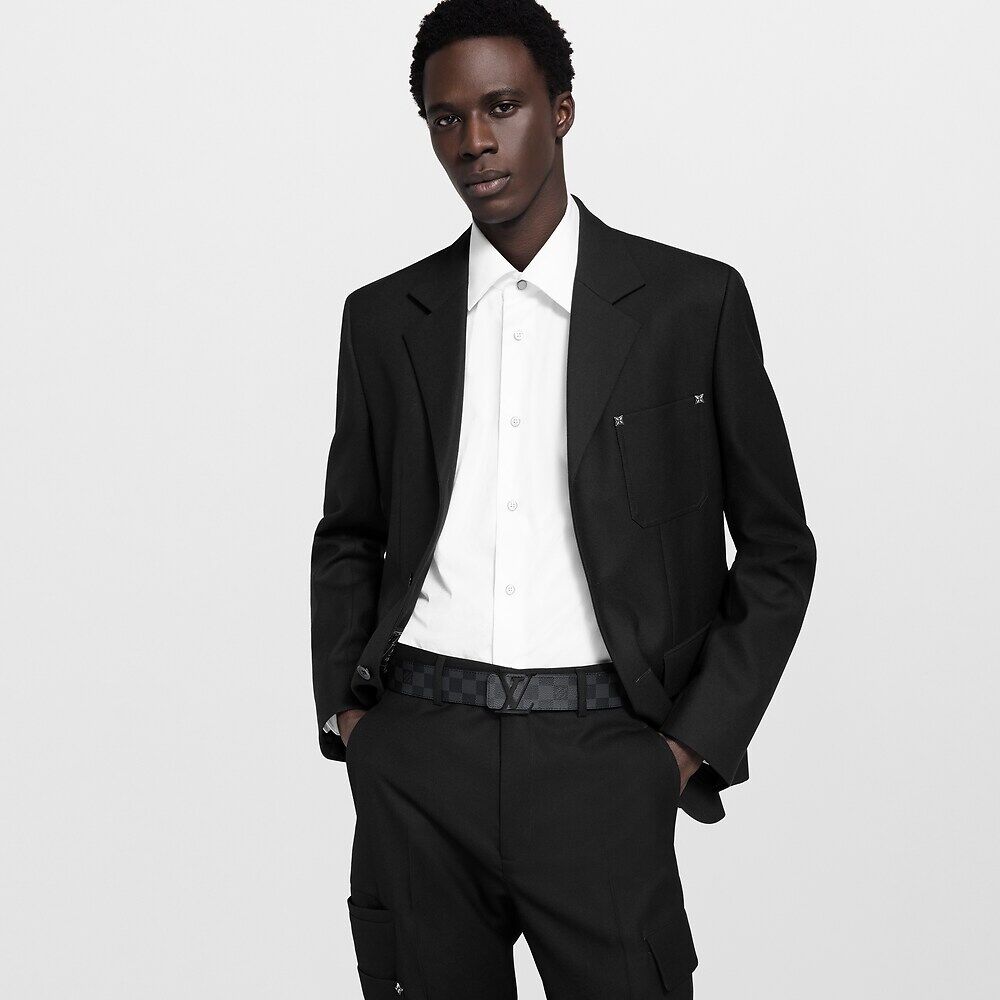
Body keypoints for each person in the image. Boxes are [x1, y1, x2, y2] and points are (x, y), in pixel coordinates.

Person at [310, 2, 816, 996]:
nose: (474, 141)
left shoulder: (690, 304)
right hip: (418, 754)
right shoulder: (382, 319)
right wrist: (352, 720)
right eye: (446, 118)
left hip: (603, 760)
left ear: (562, 110)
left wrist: (683, 748)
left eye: (502, 106)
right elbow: (349, 534)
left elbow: (776, 549)